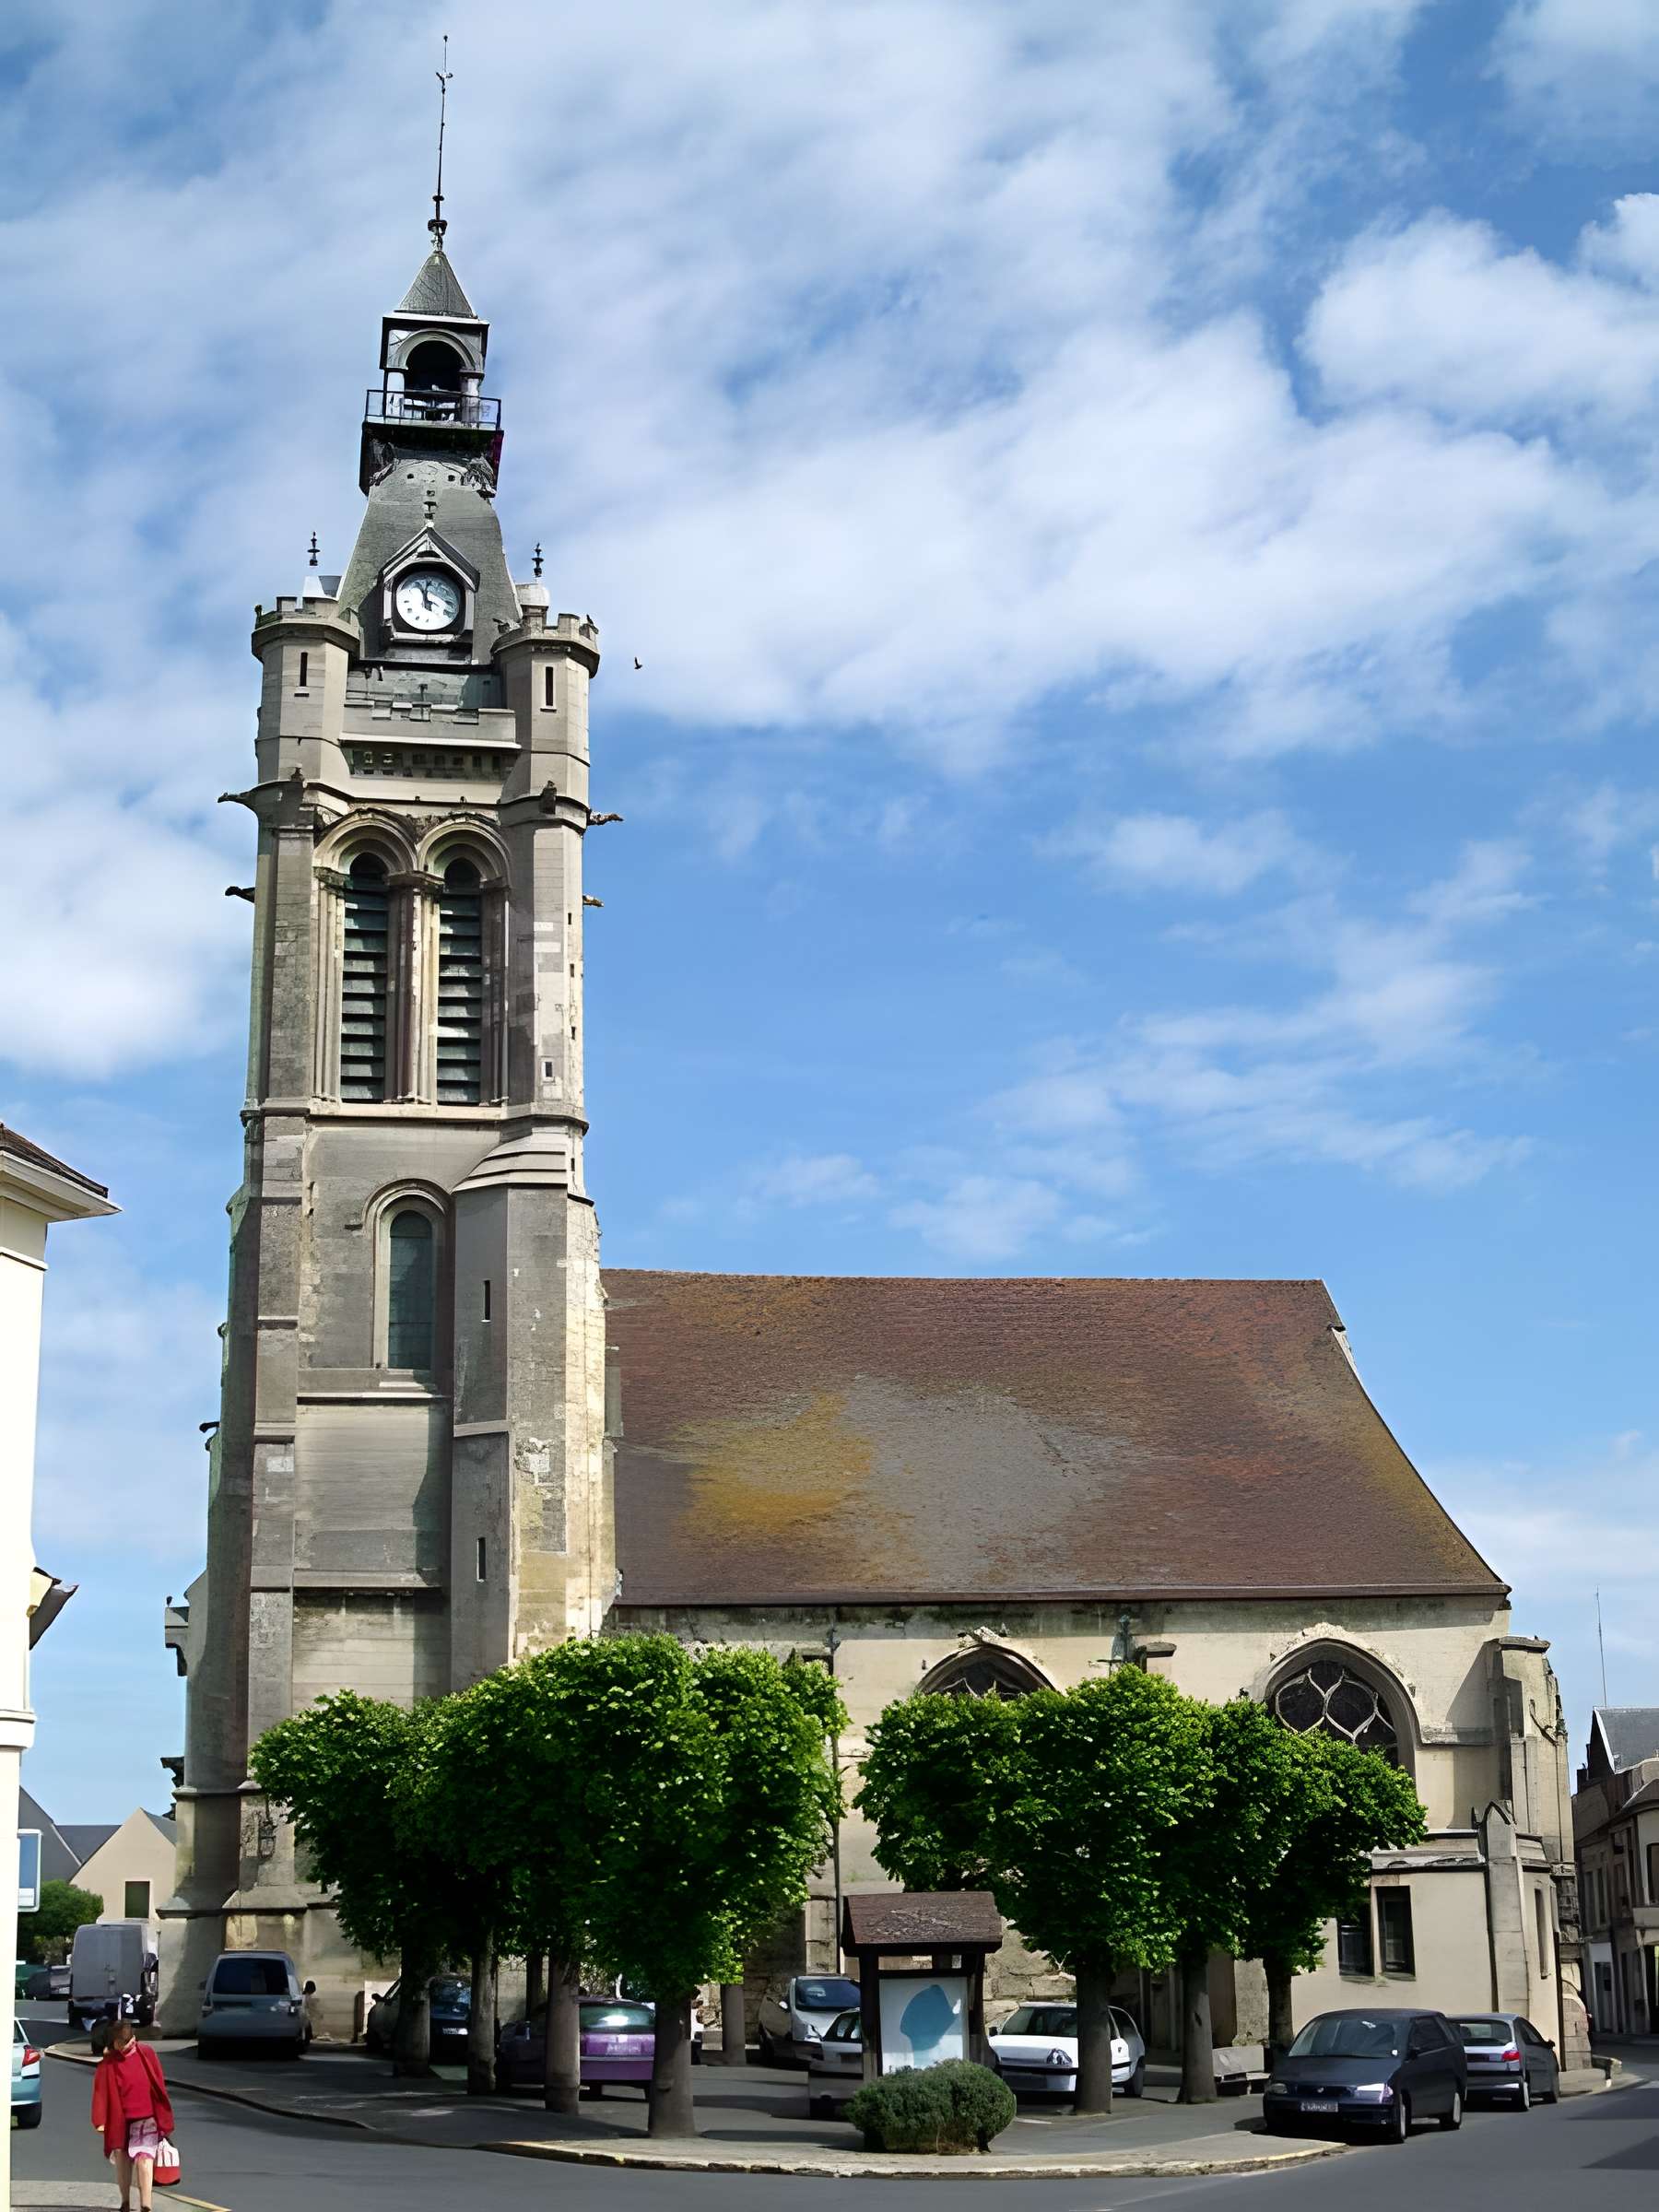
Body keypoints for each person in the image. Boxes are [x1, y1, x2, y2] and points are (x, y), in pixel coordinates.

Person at [91, 2018, 175, 2212]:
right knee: (121, 2156)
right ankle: (125, 2202)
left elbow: (158, 2084)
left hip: (147, 2117)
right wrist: (100, 2120)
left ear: (130, 2040)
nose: (120, 2046)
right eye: (117, 2043)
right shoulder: (109, 2062)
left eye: (123, 2043)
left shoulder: (146, 2053)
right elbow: (101, 2092)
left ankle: (146, 2205)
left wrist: (162, 2116)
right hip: (120, 2118)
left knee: (144, 2159)